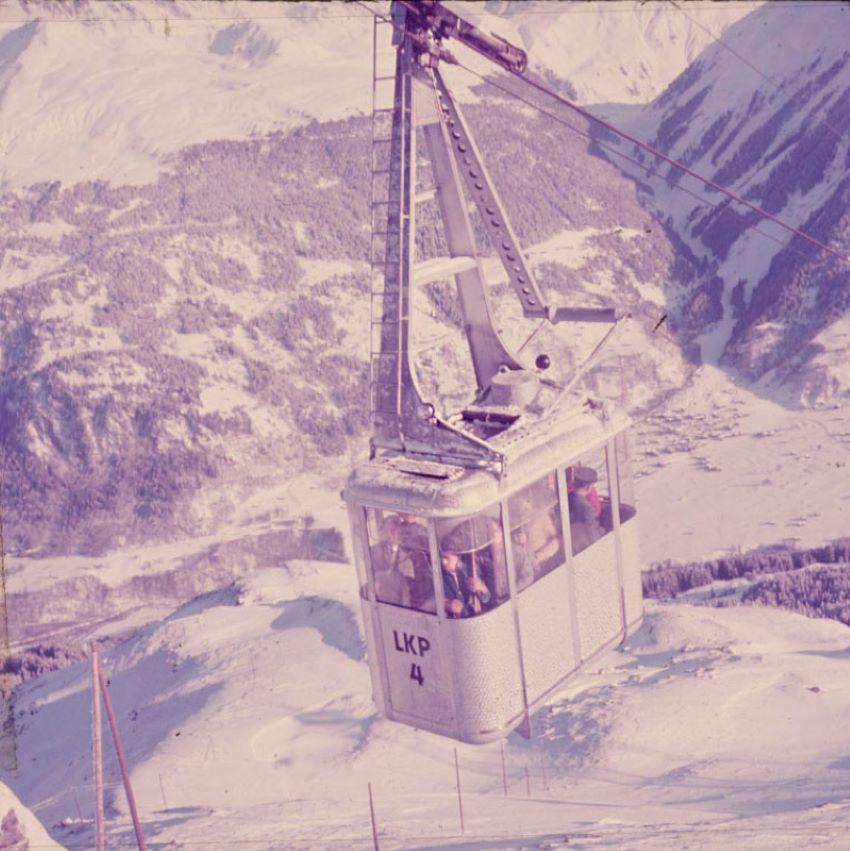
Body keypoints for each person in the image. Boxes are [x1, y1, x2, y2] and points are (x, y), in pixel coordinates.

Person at [440, 534, 491, 619]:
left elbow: (486, 599)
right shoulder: (439, 578)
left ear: (458, 556)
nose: (443, 562)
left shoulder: (468, 571)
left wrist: (482, 588)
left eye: (447, 558)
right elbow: (433, 601)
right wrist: (447, 604)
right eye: (442, 557)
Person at [567, 466, 605, 555]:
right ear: (587, 487)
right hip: (583, 549)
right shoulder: (587, 510)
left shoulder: (567, 499)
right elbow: (594, 538)